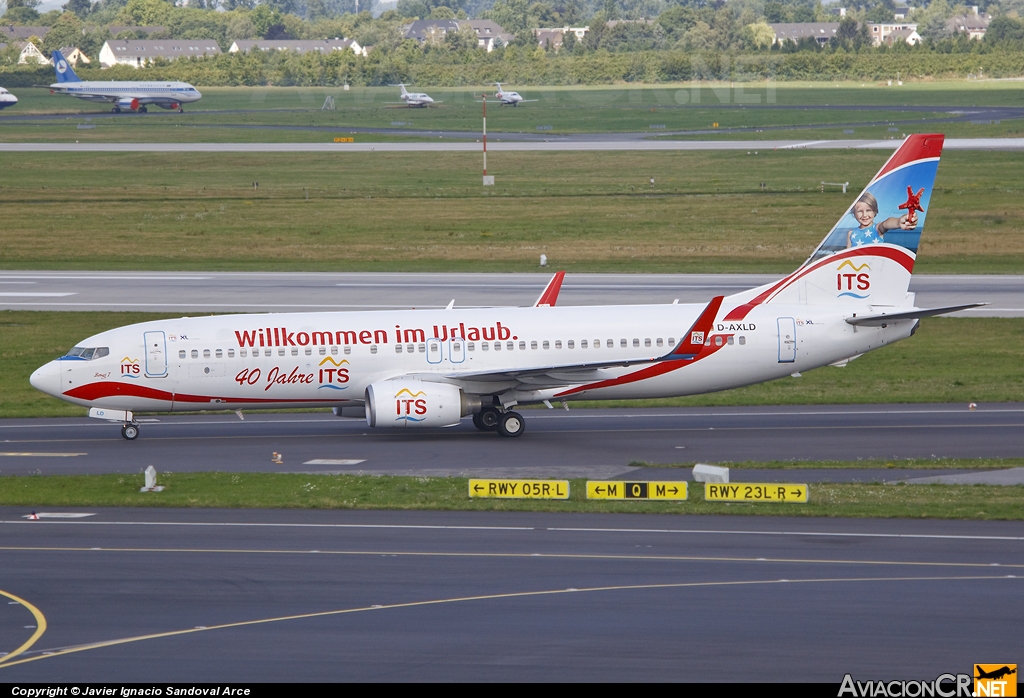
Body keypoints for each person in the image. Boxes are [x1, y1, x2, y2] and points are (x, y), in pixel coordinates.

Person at [846, 192, 916, 248]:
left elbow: (886, 224)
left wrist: (898, 222)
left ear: (875, 211)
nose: (864, 215)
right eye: (860, 211)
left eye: (868, 210)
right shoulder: (851, 233)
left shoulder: (877, 229)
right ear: (854, 213)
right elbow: (847, 255)